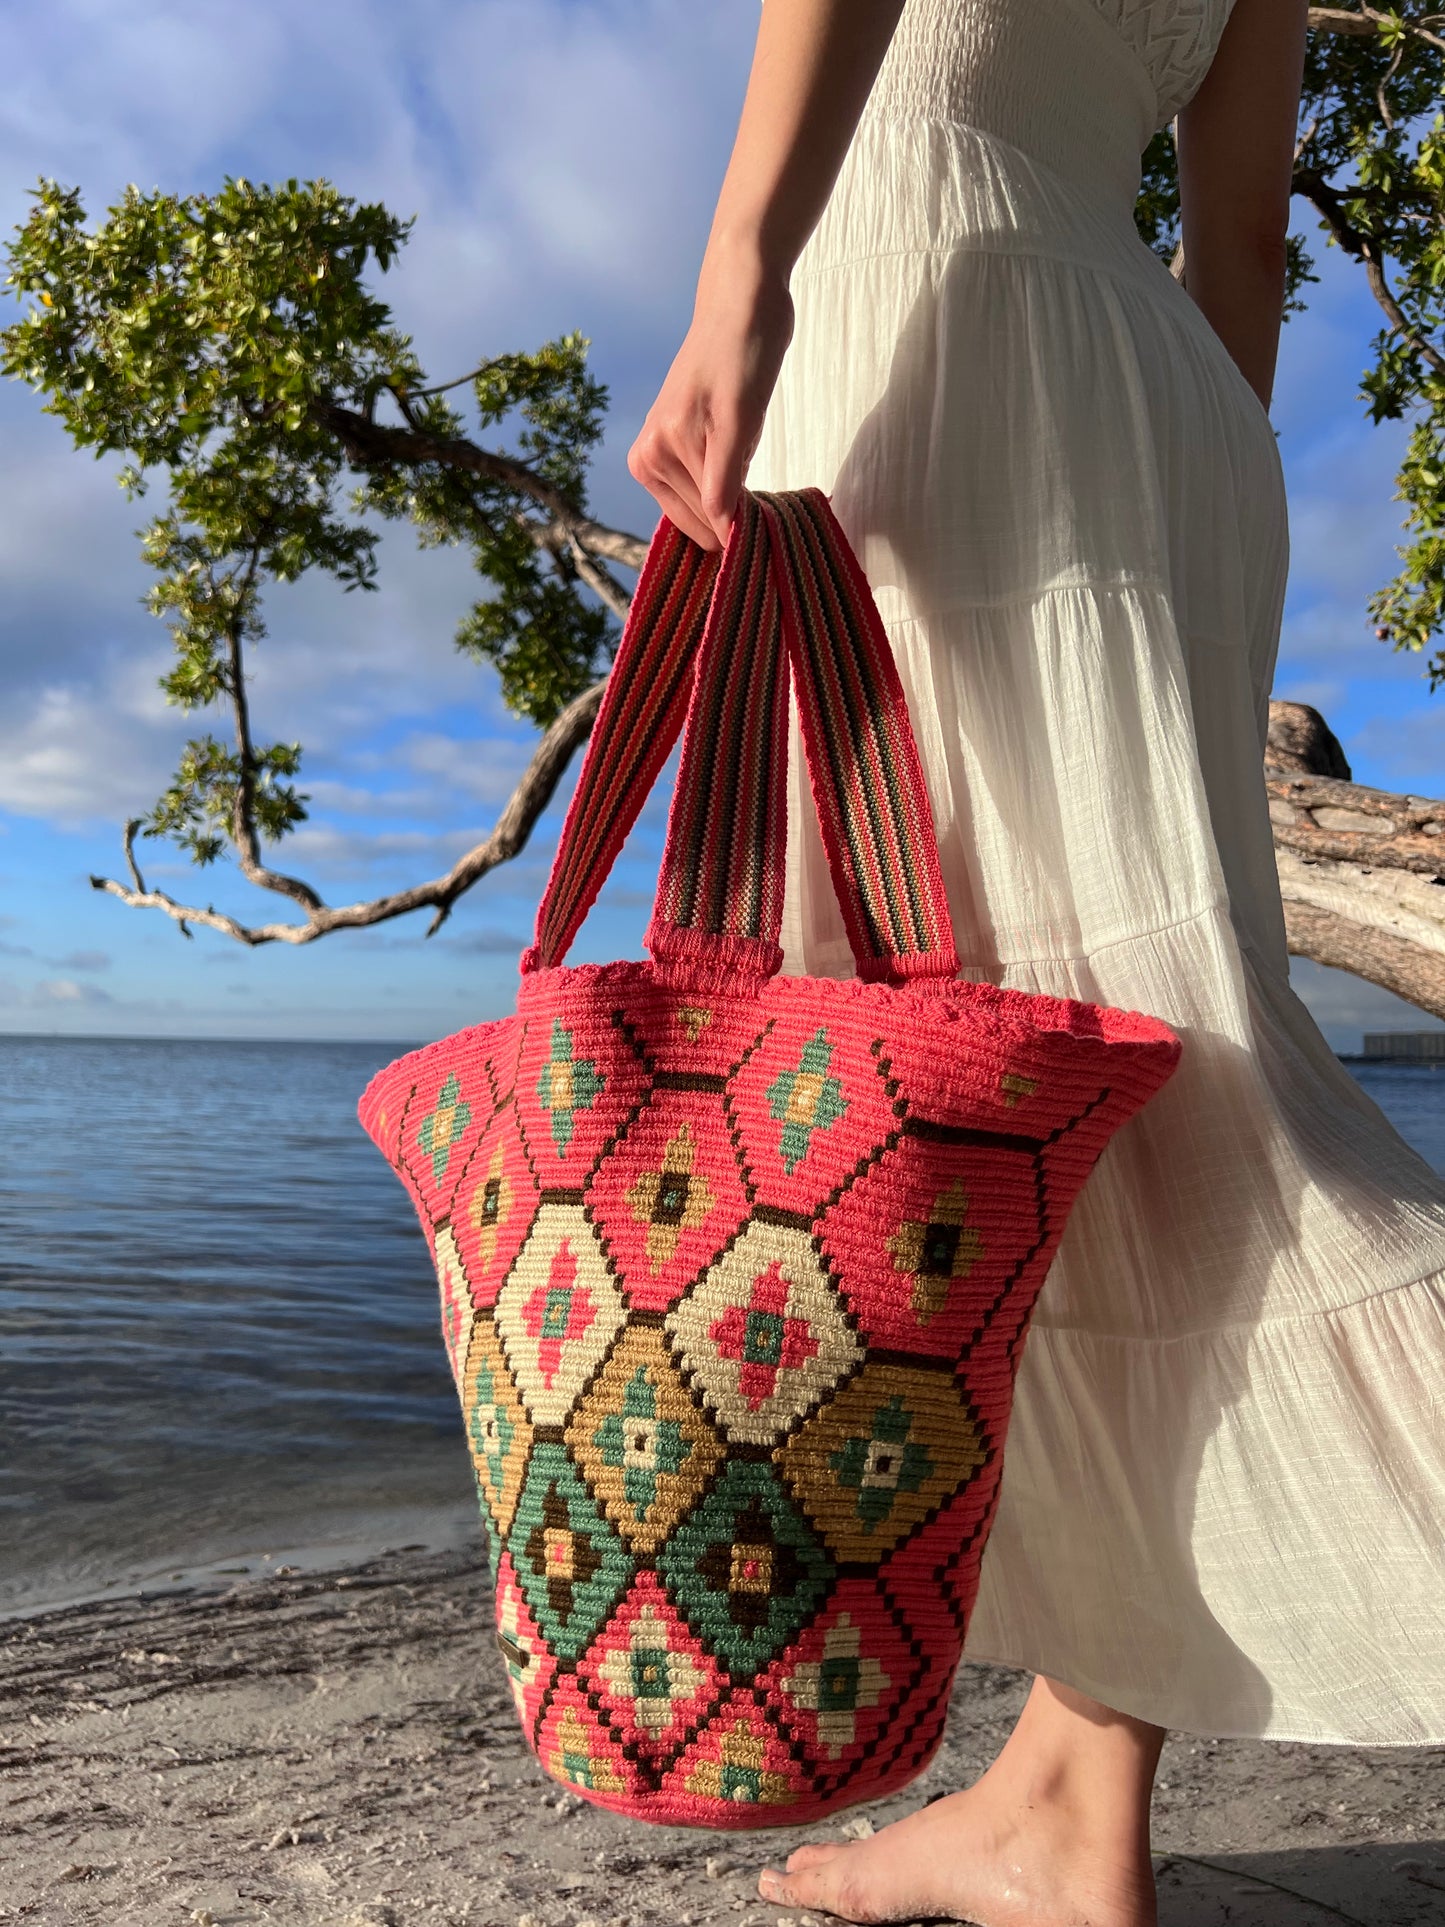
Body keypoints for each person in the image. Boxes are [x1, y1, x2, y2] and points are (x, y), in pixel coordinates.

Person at [627, 4, 1445, 1924]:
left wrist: (740, 275)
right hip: (1158, 391)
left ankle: (1059, 1802)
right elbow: (1236, 243)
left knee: (925, 1064)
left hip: (931, 294)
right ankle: (1067, 1801)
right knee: (1122, 1078)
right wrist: (1185, 513)